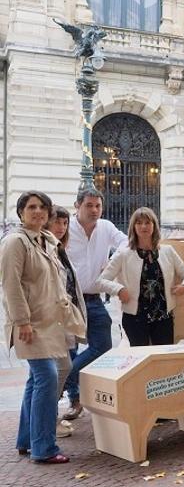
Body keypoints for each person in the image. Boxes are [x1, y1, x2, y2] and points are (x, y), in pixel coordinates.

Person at [1, 191, 77, 463]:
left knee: (37, 380)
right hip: (30, 325)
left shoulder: (45, 241)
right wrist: (22, 321)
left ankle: (26, 440)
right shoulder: (15, 242)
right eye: (31, 207)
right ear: (21, 211)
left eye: (43, 207)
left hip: (48, 323)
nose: (38, 212)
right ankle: (44, 448)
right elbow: (11, 285)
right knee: (47, 377)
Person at [61, 188, 128, 421]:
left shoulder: (106, 227)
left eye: (98, 206)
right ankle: (75, 400)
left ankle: (64, 377)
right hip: (68, 301)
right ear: (77, 205)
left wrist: (112, 262)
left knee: (103, 346)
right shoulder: (65, 227)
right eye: (89, 205)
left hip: (94, 299)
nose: (94, 210)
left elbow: (126, 243)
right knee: (69, 350)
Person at [96, 207, 184, 346]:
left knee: (162, 360)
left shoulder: (168, 251)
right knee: (140, 361)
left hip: (163, 318)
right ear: (133, 227)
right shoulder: (123, 254)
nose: (143, 226)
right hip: (135, 319)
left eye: (148, 222)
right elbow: (101, 281)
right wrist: (119, 289)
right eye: (139, 223)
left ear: (154, 225)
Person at [46, 206, 87, 438]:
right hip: (51, 322)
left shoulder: (60, 249)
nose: (61, 228)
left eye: (64, 223)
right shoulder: (47, 248)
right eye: (57, 222)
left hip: (64, 320)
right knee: (54, 372)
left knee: (57, 371)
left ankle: (44, 422)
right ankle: (45, 422)